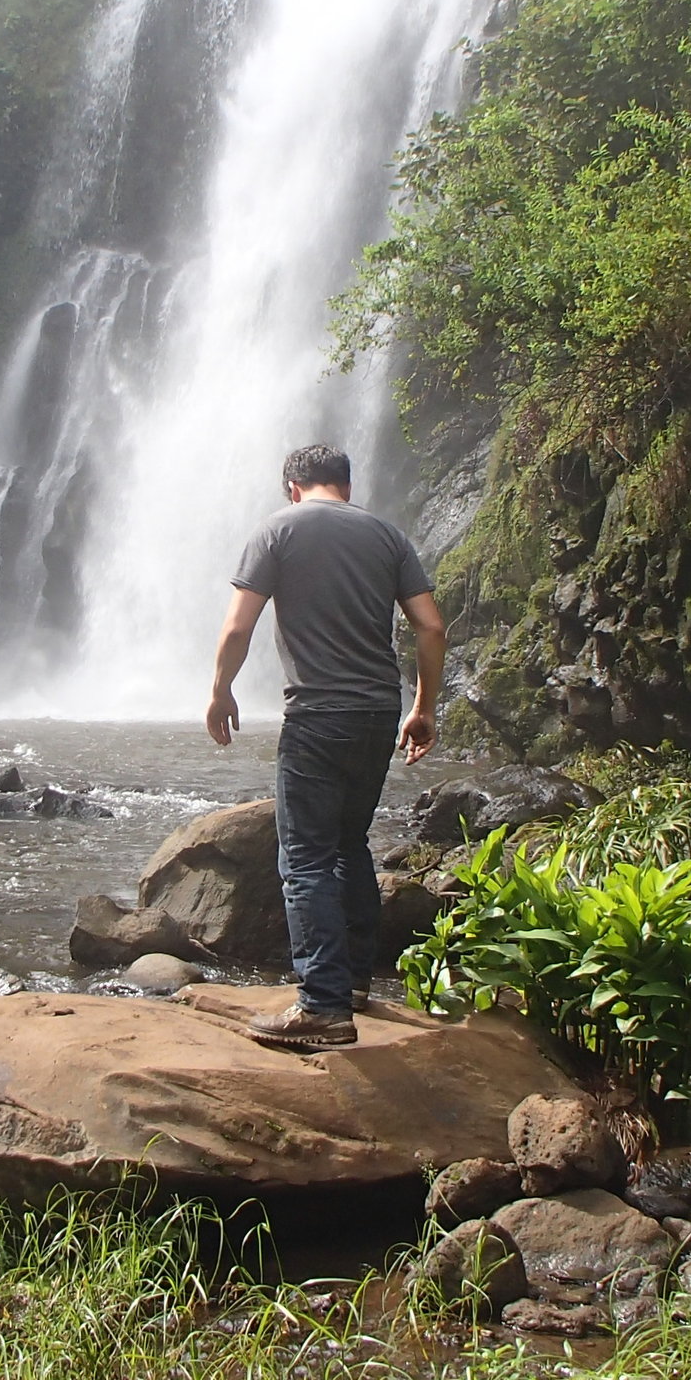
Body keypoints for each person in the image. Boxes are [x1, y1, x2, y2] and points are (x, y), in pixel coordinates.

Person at [206, 443, 445, 1051]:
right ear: (344, 484)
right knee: (349, 844)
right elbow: (432, 627)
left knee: (305, 859)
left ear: (293, 488)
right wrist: (423, 708)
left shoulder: (277, 530)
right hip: (377, 712)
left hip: (317, 713)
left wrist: (220, 692)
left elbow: (238, 626)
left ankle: (322, 1007)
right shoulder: (388, 536)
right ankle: (357, 982)